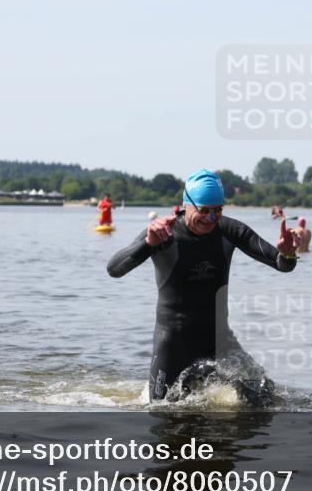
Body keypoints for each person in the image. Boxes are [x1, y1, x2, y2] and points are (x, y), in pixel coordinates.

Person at [107, 169, 300, 403]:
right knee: (161, 410)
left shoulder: (230, 231)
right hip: (173, 343)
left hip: (219, 340)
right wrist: (148, 244)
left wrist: (288, 254)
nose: (211, 219)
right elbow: (114, 270)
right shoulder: (162, 234)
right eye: (204, 211)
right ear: (185, 205)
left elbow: (281, 264)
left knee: (265, 396)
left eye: (217, 211)